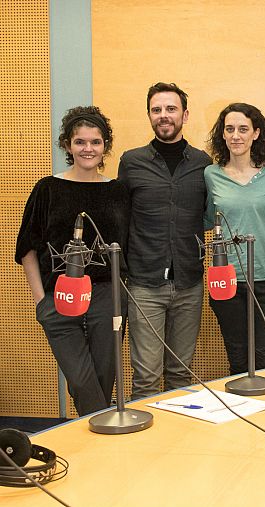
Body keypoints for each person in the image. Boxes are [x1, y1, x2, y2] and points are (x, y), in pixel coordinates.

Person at [16, 106, 130, 416]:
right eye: (80, 142)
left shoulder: (118, 191)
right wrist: (42, 301)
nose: (88, 149)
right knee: (81, 380)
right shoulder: (47, 189)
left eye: (95, 142)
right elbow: (27, 248)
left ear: (105, 144)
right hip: (59, 297)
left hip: (107, 297)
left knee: (104, 379)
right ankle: (102, 438)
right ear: (68, 145)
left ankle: (93, 447)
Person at [118, 82, 211, 399]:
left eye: (170, 109)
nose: (163, 115)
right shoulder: (131, 162)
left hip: (189, 283)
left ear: (185, 115)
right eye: (156, 110)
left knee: (180, 376)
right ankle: (143, 448)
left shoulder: (203, 163)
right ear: (149, 115)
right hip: (145, 285)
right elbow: (120, 219)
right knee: (145, 377)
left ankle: (175, 445)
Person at [204, 103, 265, 375]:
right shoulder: (211, 175)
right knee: (238, 356)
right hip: (227, 279)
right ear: (223, 135)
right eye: (229, 129)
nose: (236, 136)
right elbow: (206, 220)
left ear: (256, 134)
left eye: (243, 129)